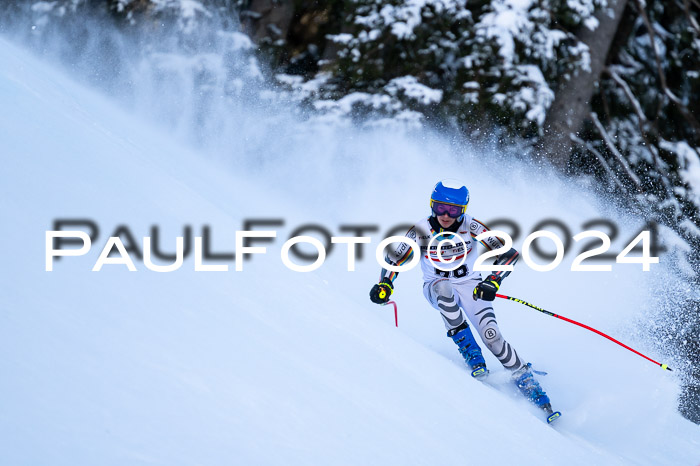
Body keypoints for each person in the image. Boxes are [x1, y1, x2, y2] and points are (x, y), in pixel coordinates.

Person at [369, 179, 558, 420]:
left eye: (453, 210)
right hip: (435, 286)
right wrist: (385, 284)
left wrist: (493, 281)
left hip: (471, 286)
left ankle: (529, 384)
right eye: (439, 208)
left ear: (463, 210)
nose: (445, 216)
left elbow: (509, 255)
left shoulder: (472, 227)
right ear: (431, 205)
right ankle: (469, 349)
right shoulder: (421, 230)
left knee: (493, 337)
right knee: (445, 289)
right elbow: (395, 259)